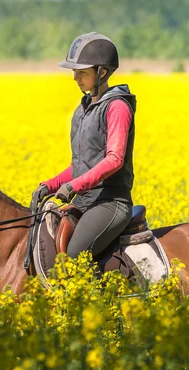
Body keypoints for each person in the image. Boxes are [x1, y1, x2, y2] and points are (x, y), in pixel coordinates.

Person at [33, 32, 136, 261]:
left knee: (73, 257)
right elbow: (79, 165)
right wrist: (49, 185)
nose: (75, 78)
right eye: (74, 72)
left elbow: (114, 160)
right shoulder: (82, 111)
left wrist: (73, 187)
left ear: (103, 72)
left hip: (110, 202)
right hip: (85, 200)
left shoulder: (117, 107)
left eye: (82, 72)